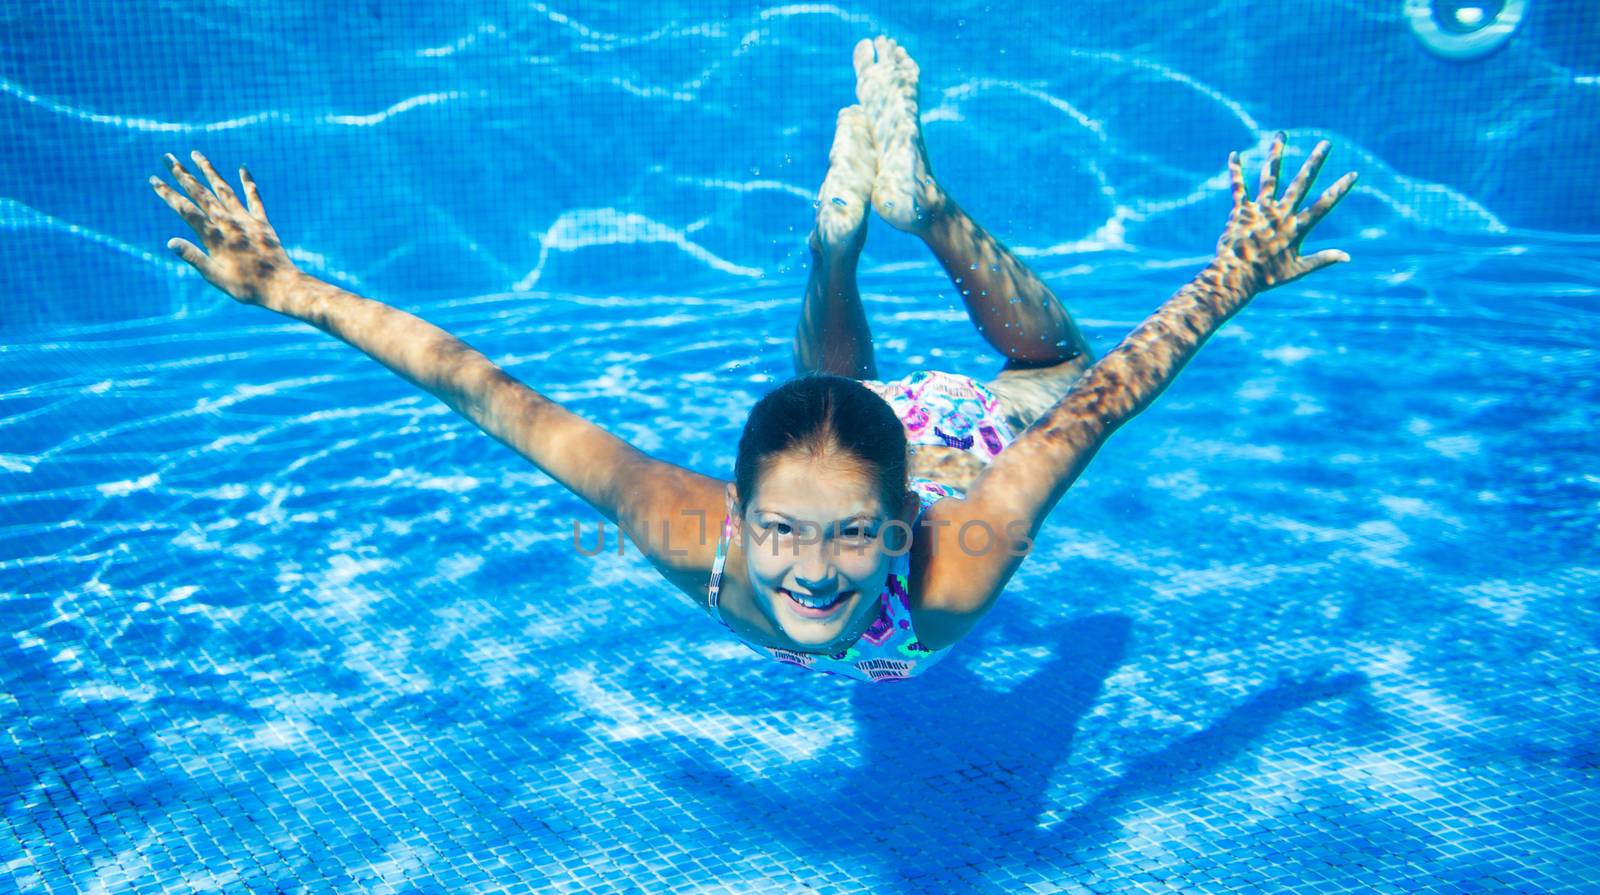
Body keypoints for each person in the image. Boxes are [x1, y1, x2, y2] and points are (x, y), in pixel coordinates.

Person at [150, 36, 1356, 683]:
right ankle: (900, 214)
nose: (814, 571)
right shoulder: (759, 545)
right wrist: (288, 290)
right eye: (782, 530)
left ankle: (876, 226)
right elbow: (486, 393)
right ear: (738, 509)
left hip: (939, 437)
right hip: (871, 431)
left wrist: (1226, 281)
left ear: (897, 530)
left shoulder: (942, 572)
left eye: (845, 537)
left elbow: (1083, 413)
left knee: (1036, 368)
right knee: (925, 383)